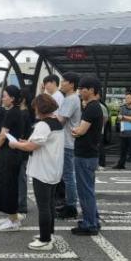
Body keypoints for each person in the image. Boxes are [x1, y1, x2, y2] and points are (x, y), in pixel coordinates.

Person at [9, 94, 64, 251]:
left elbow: (32, 146)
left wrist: (15, 144)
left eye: (35, 107)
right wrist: (25, 142)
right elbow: (39, 143)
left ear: (40, 108)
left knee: (44, 206)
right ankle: (49, 234)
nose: (34, 110)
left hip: (43, 170)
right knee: (50, 204)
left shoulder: (43, 125)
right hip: (54, 169)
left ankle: (45, 240)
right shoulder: (57, 122)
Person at [0, 85, 25, 232]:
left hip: (9, 154)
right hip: (12, 153)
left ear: (12, 98)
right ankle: (12, 216)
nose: (2, 98)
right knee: (7, 185)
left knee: (8, 186)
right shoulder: (15, 111)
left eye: (5, 96)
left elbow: (3, 134)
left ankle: (13, 221)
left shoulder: (12, 113)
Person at [71, 75, 103, 235]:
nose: (80, 92)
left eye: (82, 89)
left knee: (85, 191)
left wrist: (75, 131)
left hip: (85, 155)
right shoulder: (95, 107)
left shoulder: (92, 108)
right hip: (90, 154)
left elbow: (80, 130)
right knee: (88, 189)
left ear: (91, 90)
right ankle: (93, 219)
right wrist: (77, 131)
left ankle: (89, 224)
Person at [55, 72, 82, 219]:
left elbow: (61, 121)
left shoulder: (70, 99)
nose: (62, 83)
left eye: (64, 81)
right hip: (68, 142)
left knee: (68, 176)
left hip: (67, 143)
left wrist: (47, 119)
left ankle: (71, 206)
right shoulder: (71, 98)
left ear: (71, 84)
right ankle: (69, 203)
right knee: (67, 175)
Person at [17, 87, 35, 215]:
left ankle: (22, 204)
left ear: (23, 99)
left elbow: (23, 133)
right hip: (22, 147)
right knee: (20, 176)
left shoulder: (24, 114)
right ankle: (20, 202)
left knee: (20, 177)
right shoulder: (25, 112)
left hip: (21, 147)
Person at [114, 92, 131, 171]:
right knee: (123, 151)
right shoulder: (122, 108)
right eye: (126, 98)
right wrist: (129, 118)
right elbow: (119, 117)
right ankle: (121, 165)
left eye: (128, 98)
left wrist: (124, 117)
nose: (126, 99)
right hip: (123, 133)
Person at [97, 93, 109, 171]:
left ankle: (102, 164)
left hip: (99, 131)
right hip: (93, 131)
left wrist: (101, 126)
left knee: (100, 147)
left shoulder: (101, 106)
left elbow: (105, 119)